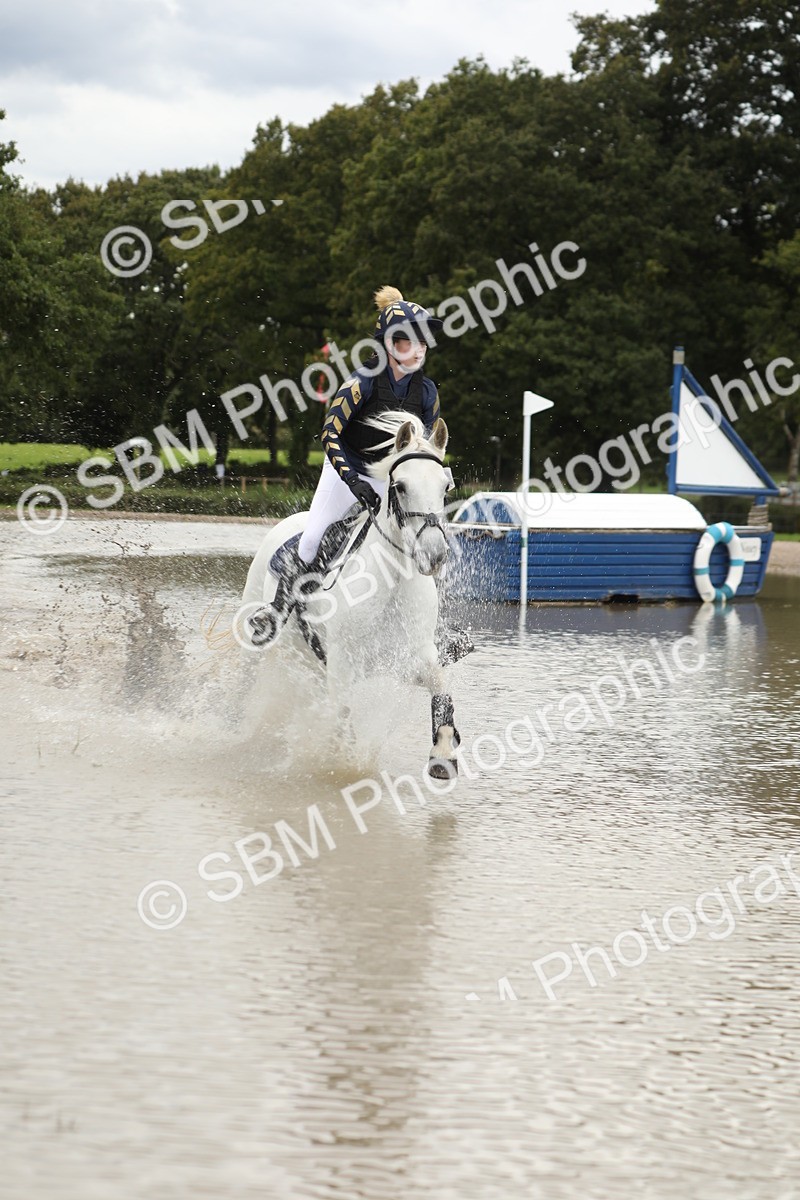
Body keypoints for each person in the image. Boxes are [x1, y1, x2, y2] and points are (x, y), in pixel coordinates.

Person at [249, 285, 471, 663]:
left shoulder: (428, 392)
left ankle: (437, 630)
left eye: (423, 342)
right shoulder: (362, 382)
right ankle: (277, 609)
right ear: (388, 344)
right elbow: (329, 433)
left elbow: (425, 448)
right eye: (407, 342)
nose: (417, 350)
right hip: (345, 470)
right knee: (313, 537)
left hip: (394, 479)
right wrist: (353, 482)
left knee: (425, 538)